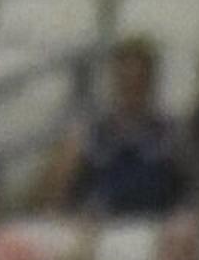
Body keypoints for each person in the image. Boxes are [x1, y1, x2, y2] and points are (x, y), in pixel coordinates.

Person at [39, 38, 190, 221]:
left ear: (150, 82)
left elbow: (188, 192)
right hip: (99, 228)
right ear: (115, 81)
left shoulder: (170, 133)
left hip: (153, 228)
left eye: (139, 80)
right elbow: (53, 197)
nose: (132, 87)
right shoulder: (91, 132)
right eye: (125, 80)